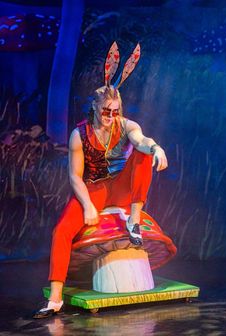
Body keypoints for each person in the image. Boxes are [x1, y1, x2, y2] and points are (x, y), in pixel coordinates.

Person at [33, 43, 168, 319]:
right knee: (61, 231)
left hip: (119, 188)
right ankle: (55, 299)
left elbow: (141, 141)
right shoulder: (78, 135)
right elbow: (74, 176)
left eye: (115, 111)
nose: (111, 117)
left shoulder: (126, 125)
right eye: (106, 111)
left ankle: (133, 220)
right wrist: (87, 206)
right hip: (93, 188)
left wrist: (156, 148)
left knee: (143, 155)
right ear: (95, 107)